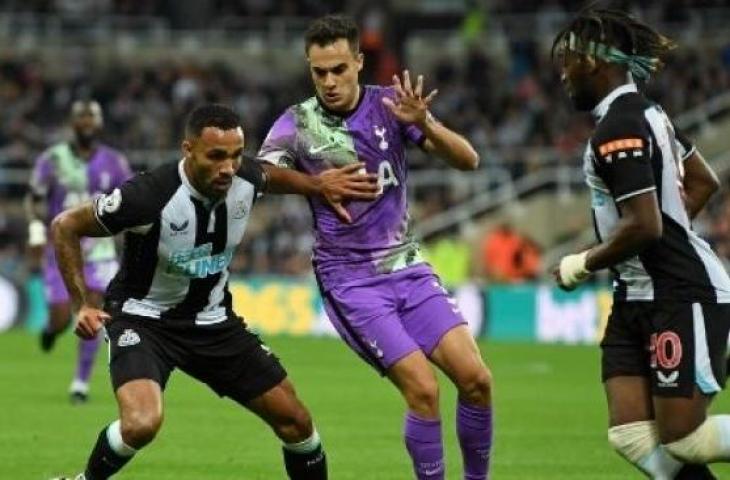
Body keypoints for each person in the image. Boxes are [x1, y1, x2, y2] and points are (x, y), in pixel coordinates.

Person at [49, 103, 378, 480]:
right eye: (216, 156)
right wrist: (81, 305)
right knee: (141, 423)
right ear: (188, 150)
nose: (228, 167)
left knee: (296, 422)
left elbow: (271, 176)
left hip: (214, 323)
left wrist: (318, 185)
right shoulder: (148, 195)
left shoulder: (244, 176)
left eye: (237, 155)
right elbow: (64, 226)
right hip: (143, 320)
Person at [258, 15, 493, 480]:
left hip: (407, 266)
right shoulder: (296, 123)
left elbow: (469, 160)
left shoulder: (392, 105)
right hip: (350, 281)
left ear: (359, 62)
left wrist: (425, 122)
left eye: (339, 69)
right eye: (319, 71)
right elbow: (257, 174)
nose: (329, 81)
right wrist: (313, 183)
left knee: (476, 380)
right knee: (424, 390)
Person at [552, 8, 730, 479]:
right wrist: (670, 233)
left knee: (685, 439)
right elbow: (703, 181)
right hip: (636, 296)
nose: (562, 73)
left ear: (594, 62)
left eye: (568, 61)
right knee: (629, 433)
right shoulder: (648, 114)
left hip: (679, 293)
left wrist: (581, 264)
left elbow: (646, 226)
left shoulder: (621, 128)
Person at [26, 100, 132, 403]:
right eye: (81, 117)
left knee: (93, 311)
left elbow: (129, 200)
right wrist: (35, 230)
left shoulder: (114, 162)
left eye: (92, 117)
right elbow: (34, 196)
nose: (86, 122)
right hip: (61, 248)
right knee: (61, 317)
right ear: (72, 123)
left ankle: (80, 384)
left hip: (99, 250)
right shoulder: (53, 159)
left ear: (99, 123)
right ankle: (51, 330)